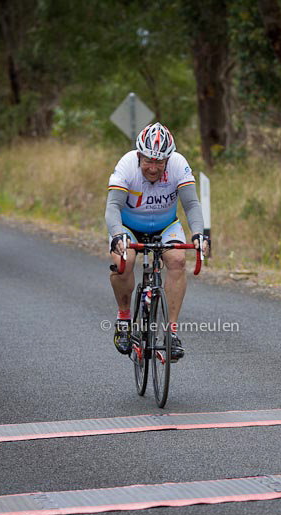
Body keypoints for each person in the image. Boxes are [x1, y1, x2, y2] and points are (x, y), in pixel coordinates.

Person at [105, 122, 209, 361]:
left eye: (159, 162)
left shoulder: (179, 165)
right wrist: (117, 234)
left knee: (178, 260)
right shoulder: (126, 165)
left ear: (168, 159)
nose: (153, 168)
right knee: (123, 262)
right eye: (148, 161)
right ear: (139, 156)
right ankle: (124, 320)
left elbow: (191, 204)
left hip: (165, 226)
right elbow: (113, 206)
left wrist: (198, 234)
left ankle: (172, 333)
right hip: (128, 227)